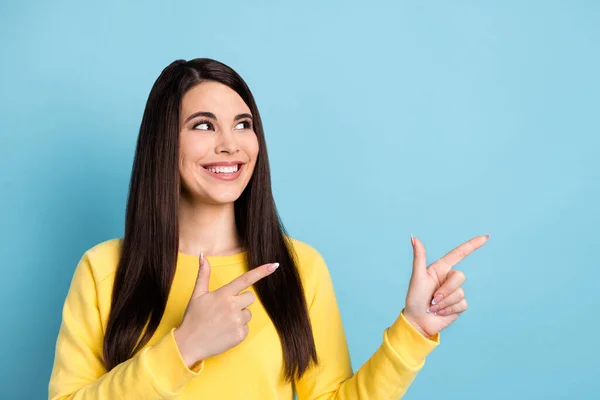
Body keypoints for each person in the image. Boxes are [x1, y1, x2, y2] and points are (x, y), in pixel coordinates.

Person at [48, 58, 489, 400]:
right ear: (164, 141)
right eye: (203, 125)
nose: (230, 143)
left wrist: (413, 329)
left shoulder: (299, 268)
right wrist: (183, 348)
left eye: (244, 124)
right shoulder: (104, 268)